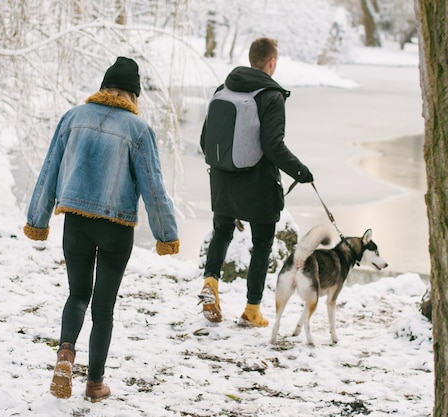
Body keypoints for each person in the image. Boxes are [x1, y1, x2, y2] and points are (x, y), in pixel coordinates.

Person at [23, 57, 179, 402]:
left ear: (103, 88)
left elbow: (49, 169)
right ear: (133, 95)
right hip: (116, 226)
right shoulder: (138, 130)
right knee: (103, 308)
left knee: (78, 294)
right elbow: (153, 187)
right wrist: (166, 235)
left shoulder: (73, 118)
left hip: (76, 221)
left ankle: (65, 355)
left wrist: (38, 220)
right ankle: (94, 385)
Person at [199, 37, 313, 327]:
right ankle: (252, 310)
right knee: (262, 244)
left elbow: (204, 139)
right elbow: (273, 146)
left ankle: (210, 281)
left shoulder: (222, 89)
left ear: (251, 59)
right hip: (258, 183)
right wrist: (300, 171)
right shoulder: (271, 96)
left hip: (223, 177)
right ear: (272, 62)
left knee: (221, 231)